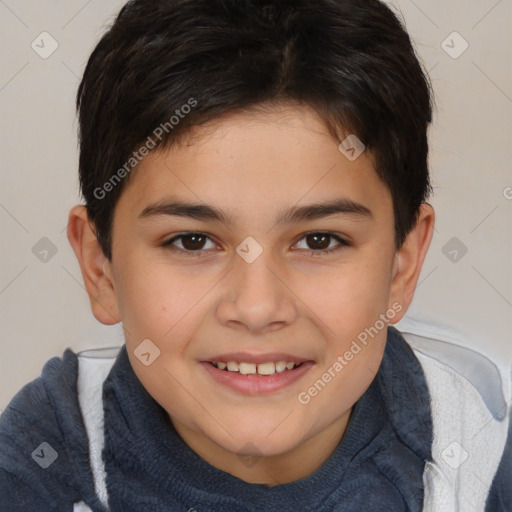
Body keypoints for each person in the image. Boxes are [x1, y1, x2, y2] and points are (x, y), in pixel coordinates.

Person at [0, 1, 509, 510]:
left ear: (403, 264)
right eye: (192, 241)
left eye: (319, 240)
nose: (258, 307)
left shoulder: (481, 456)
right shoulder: (42, 462)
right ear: (100, 268)